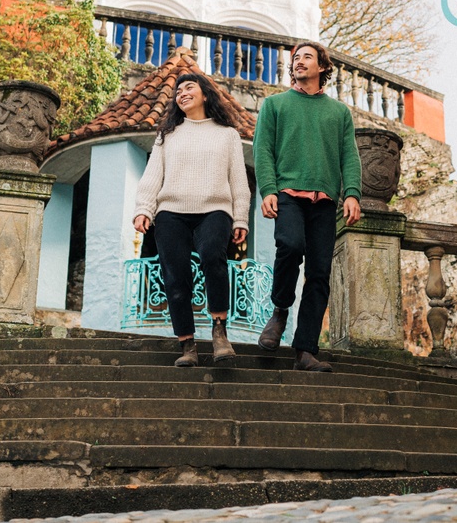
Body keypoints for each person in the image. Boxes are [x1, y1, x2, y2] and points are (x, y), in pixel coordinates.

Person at [254, 41, 362, 372]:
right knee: (289, 245)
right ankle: (280, 311)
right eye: (295, 58)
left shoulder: (339, 112)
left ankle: (305, 350)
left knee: (319, 273)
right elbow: (263, 150)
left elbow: (349, 155)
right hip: (288, 194)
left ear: (322, 67)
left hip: (324, 203)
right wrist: (268, 190)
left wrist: (353, 193)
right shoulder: (275, 105)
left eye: (307, 57)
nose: (299, 62)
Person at [133, 73, 251, 367]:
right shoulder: (167, 134)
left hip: (215, 209)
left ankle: (219, 331)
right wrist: (143, 209)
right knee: (175, 277)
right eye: (178, 90)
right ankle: (187, 345)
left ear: (206, 95)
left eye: (189, 88)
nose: (182, 93)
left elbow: (238, 181)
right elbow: (152, 176)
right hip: (171, 211)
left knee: (213, 255)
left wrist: (241, 219)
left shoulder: (227, 134)